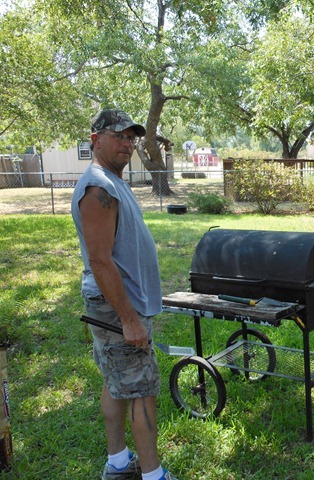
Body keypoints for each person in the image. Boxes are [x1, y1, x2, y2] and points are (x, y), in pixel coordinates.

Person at [71, 109, 177, 480]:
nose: (127, 143)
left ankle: (117, 463)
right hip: (119, 308)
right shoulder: (98, 187)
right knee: (142, 390)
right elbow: (100, 261)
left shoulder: (112, 182)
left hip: (117, 305)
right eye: (118, 135)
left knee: (115, 382)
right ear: (95, 139)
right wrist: (130, 319)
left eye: (131, 137)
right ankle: (153, 474)